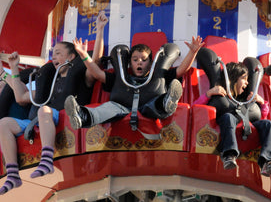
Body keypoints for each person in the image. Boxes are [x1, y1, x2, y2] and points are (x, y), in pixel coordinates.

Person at [0, 11, 107, 195]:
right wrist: (15, 68)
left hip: (62, 116)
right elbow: (20, 97)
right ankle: (12, 174)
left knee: (44, 111)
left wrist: (99, 31)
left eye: (58, 53)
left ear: (71, 57)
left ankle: (47, 160)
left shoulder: (82, 77)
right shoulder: (48, 81)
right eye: (53, 54)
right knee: (4, 124)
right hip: (38, 120)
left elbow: (95, 60)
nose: (54, 57)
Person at [64, 10, 204, 130]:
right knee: (106, 108)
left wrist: (193, 52)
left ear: (150, 63)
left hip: (149, 107)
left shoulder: (159, 75)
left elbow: (181, 70)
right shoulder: (120, 77)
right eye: (135, 60)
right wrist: (83, 54)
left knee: (157, 102)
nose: (139, 63)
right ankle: (82, 116)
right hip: (121, 107)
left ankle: (167, 102)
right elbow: (97, 73)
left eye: (144, 60)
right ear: (130, 63)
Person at [193, 62, 271, 177]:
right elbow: (195, 108)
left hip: (246, 132)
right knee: (228, 117)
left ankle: (267, 162)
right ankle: (229, 154)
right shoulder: (220, 96)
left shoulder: (245, 100)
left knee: (267, 124)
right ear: (234, 78)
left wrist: (262, 103)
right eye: (244, 79)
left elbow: (260, 118)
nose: (247, 83)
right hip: (225, 129)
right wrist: (209, 94)